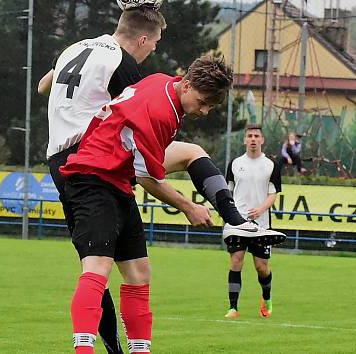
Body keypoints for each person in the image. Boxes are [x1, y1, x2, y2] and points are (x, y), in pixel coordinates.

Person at [39, 6, 283, 353]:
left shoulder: (75, 49)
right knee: (97, 266)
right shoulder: (126, 68)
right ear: (141, 39)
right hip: (92, 159)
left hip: (64, 157)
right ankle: (235, 221)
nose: (153, 49)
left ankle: (235, 222)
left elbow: (44, 85)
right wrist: (186, 205)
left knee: (125, 268)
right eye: (153, 42)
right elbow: (139, 123)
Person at [58, 55, 234, 354]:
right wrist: (188, 206)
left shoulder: (163, 84)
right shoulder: (161, 110)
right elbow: (148, 178)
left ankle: (140, 350)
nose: (204, 111)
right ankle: (83, 350)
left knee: (139, 272)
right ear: (187, 84)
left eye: (211, 106)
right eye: (203, 102)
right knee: (97, 267)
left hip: (116, 179)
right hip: (92, 180)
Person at [224, 124, 281, 319]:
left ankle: (267, 297)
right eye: (250, 136)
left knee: (261, 267)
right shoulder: (234, 163)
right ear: (244, 140)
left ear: (262, 140)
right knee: (236, 260)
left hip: (261, 224)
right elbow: (227, 192)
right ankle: (233, 308)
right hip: (237, 223)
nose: (253, 139)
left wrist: (260, 209)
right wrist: (230, 214)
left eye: (257, 136)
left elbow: (273, 194)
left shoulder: (271, 165)